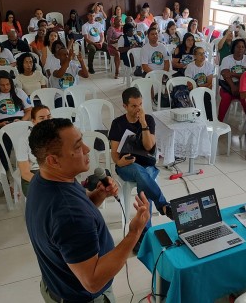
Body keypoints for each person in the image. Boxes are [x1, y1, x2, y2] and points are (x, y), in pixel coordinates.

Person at [25, 118, 150, 302]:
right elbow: (92, 281)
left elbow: (66, 226)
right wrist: (135, 232)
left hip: (57, 284)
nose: (87, 148)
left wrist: (98, 195)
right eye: (77, 147)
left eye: (82, 140)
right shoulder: (69, 214)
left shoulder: (43, 179)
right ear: (53, 160)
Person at [108, 87, 173, 251]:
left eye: (140, 105)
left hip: (147, 164)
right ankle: (163, 205)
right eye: (134, 106)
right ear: (125, 106)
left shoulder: (148, 120)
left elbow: (149, 146)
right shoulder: (118, 123)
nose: (138, 109)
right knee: (138, 171)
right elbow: (114, 155)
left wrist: (143, 124)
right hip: (126, 166)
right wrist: (121, 162)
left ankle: (144, 235)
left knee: (145, 181)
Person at [16, 105, 51, 196]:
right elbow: (25, 173)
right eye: (41, 118)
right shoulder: (24, 139)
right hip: (33, 174)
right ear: (33, 121)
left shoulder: (56, 135)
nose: (46, 121)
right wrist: (48, 184)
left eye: (49, 117)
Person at [218, 38, 246, 122]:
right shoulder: (227, 59)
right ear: (233, 48)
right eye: (238, 46)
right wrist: (233, 86)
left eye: (243, 47)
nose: (240, 48)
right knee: (226, 97)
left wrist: (232, 74)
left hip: (243, 87)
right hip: (228, 86)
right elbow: (225, 74)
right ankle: (219, 121)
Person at [185, 47, 215, 120]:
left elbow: (210, 82)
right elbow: (190, 85)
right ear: (195, 56)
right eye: (200, 54)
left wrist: (198, 86)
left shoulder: (209, 65)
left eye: (203, 53)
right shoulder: (190, 67)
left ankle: (209, 120)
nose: (203, 56)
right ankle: (194, 119)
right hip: (193, 90)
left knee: (206, 97)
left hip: (205, 89)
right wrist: (199, 87)